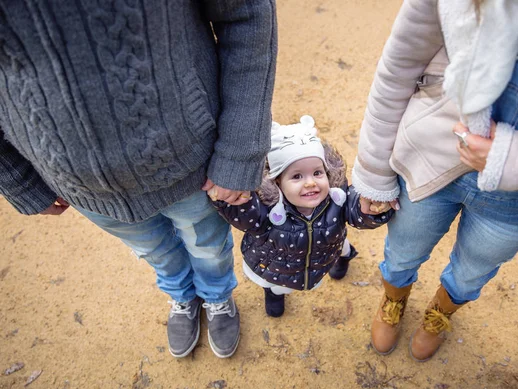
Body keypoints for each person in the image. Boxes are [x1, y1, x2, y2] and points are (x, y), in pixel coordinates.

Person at [0, 0, 277, 359]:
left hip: (192, 166)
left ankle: (217, 296)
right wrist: (17, 179)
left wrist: (239, 153)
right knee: (155, 251)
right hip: (81, 186)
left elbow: (247, 14)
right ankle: (182, 296)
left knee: (208, 246)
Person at [352, 0, 518, 361]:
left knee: (471, 274)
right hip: (429, 160)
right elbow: (398, 67)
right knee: (403, 251)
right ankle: (394, 299)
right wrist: (374, 172)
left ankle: (440, 314)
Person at [211, 115, 394, 317]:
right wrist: (233, 199)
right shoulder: (266, 210)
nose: (310, 183)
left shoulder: (338, 198)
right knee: (274, 282)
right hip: (277, 264)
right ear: (278, 183)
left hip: (327, 249)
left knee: (341, 247)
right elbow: (244, 216)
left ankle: (344, 258)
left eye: (317, 173)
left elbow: (358, 210)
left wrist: (371, 208)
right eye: (297, 176)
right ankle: (273, 292)